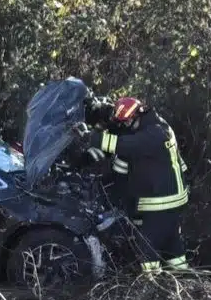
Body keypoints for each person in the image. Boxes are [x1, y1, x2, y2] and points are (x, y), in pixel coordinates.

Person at [73, 97, 191, 273]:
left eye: (128, 121)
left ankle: (152, 287)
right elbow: (122, 169)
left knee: (146, 246)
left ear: (137, 115)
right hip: (172, 198)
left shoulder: (153, 135)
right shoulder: (155, 124)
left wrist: (90, 137)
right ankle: (184, 279)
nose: (125, 125)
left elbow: (122, 145)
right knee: (172, 246)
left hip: (162, 202)